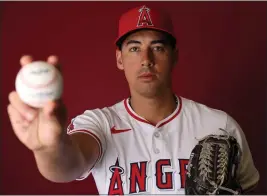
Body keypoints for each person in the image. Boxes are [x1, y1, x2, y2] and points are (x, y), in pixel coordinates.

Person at [7, 5, 259, 194]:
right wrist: (48, 148)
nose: (146, 59)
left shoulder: (219, 125)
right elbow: (68, 165)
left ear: (174, 56)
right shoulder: (100, 123)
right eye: (134, 48)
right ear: (119, 59)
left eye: (158, 47)